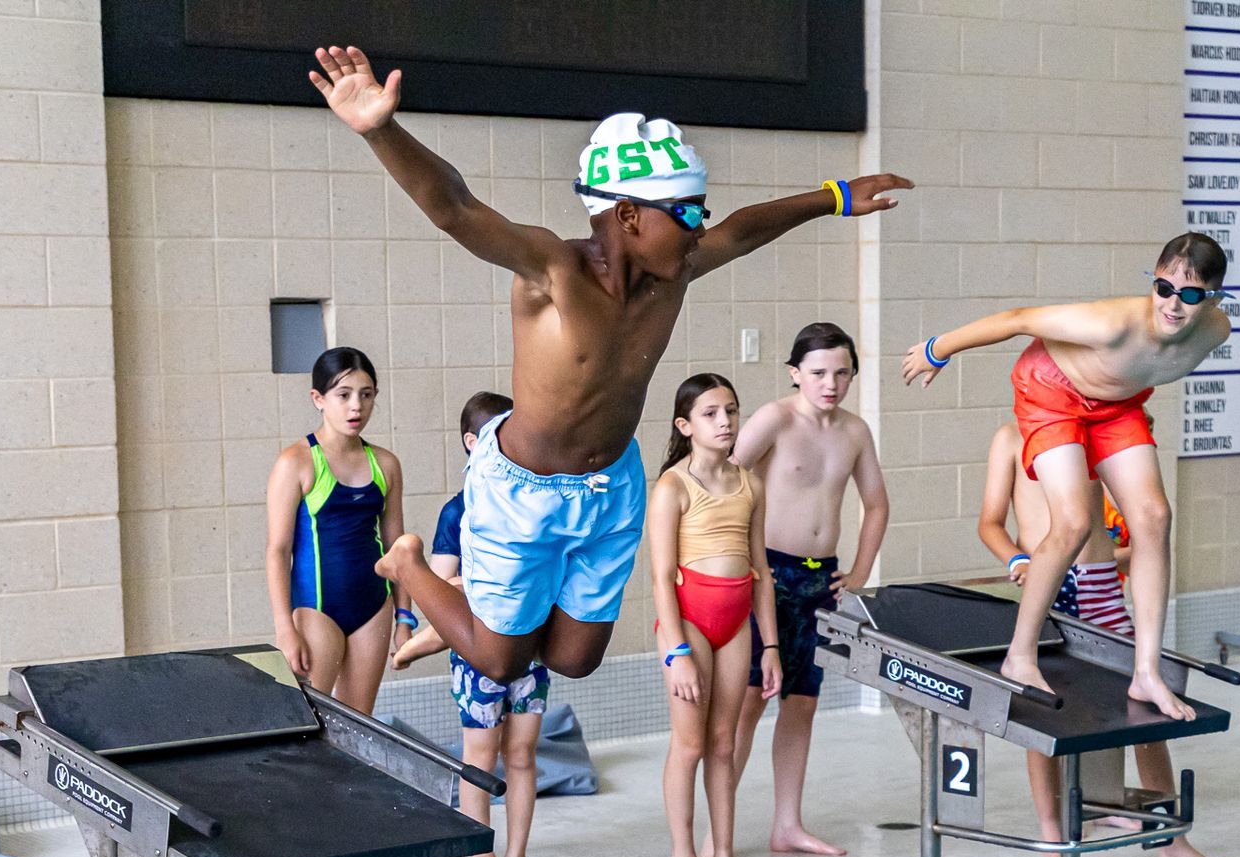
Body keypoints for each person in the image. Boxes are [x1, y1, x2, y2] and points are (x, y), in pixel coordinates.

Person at [308, 44, 908, 687]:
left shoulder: (672, 272)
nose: (699, 226)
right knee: (502, 662)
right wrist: (382, 129)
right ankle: (411, 567)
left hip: (611, 487)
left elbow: (743, 228)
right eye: (685, 213)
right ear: (627, 214)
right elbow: (455, 207)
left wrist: (835, 196)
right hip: (524, 491)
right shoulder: (554, 272)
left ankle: (486, 614)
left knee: (574, 660)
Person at [903, 232, 1234, 724]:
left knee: (1155, 517)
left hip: (1117, 405)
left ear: (1212, 299)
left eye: (1189, 296)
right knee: (1074, 521)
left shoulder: (1217, 330)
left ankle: (1146, 670)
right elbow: (1017, 320)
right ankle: (1020, 654)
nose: (1172, 305)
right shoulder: (1110, 323)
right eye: (1163, 288)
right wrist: (938, 348)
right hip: (1051, 391)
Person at [978, 420, 1235, 857]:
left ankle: (1169, 838)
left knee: (1145, 713)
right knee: (1042, 722)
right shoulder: (1011, 437)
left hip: (1100, 586)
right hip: (1046, 588)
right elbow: (990, 523)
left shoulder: (1104, 425)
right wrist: (1016, 559)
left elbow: (1135, 517)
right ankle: (1052, 837)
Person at [722, 322, 888, 857]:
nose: (830, 383)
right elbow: (723, 484)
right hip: (765, 575)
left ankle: (787, 825)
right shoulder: (775, 418)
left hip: (822, 579)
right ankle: (715, 836)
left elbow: (877, 503)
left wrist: (860, 570)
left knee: (802, 704)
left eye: (842, 372)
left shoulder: (855, 432)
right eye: (818, 373)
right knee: (747, 702)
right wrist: (731, 565)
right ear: (796, 374)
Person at [411, 391, 552, 857]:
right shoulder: (460, 509)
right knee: (481, 755)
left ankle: (516, 856)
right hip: (479, 652)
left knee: (523, 752)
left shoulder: (533, 503)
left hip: (530, 650)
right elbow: (441, 586)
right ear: (473, 444)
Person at [648, 375, 780, 857]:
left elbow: (762, 572)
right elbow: (660, 577)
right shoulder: (672, 487)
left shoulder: (750, 483)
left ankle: (721, 855)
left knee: (723, 744)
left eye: (731, 410)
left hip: (736, 622)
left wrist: (770, 646)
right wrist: (676, 649)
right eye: (710, 413)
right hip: (689, 625)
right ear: (685, 426)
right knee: (689, 744)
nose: (725, 421)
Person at [266, 346, 412, 715]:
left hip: (373, 607)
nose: (356, 408)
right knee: (309, 724)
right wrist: (285, 628)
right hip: (317, 608)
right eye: (343, 396)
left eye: (366, 395)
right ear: (318, 399)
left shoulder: (385, 464)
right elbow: (278, 551)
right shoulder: (296, 462)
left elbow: (398, 549)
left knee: (359, 725)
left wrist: (404, 619)